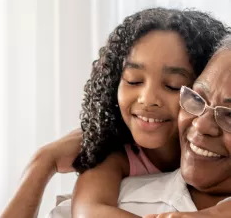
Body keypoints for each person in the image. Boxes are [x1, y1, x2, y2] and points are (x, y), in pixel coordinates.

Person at [0, 7, 230, 218]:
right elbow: (89, 212)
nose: (148, 100)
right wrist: (44, 160)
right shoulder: (115, 155)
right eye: (133, 80)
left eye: (172, 85)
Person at [49, 34, 231, 218]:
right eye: (197, 98)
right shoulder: (119, 196)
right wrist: (42, 163)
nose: (200, 125)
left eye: (230, 116)